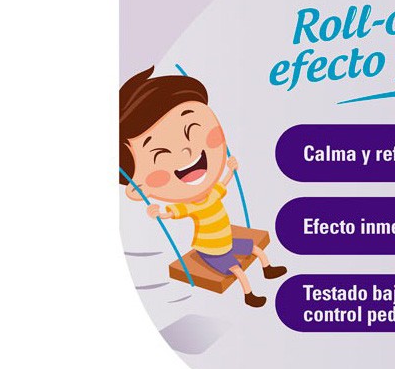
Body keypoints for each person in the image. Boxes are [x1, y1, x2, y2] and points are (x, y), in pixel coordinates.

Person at [119, 66, 286, 307]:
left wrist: (231, 170)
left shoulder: (211, 195)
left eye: (193, 130)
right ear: (138, 188)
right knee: (238, 270)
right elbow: (172, 213)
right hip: (212, 250)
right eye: (160, 153)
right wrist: (157, 213)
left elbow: (223, 184)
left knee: (257, 250)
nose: (187, 151)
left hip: (227, 240)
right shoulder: (192, 206)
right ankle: (250, 295)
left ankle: (269, 269)